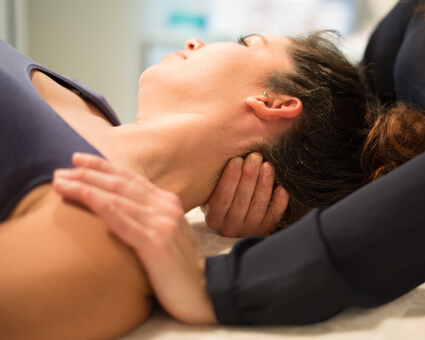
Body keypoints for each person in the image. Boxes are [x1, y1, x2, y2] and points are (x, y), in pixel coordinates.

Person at [0, 26, 394, 339]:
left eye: (245, 43)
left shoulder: (107, 233)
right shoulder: (89, 104)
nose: (194, 41)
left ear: (274, 103)